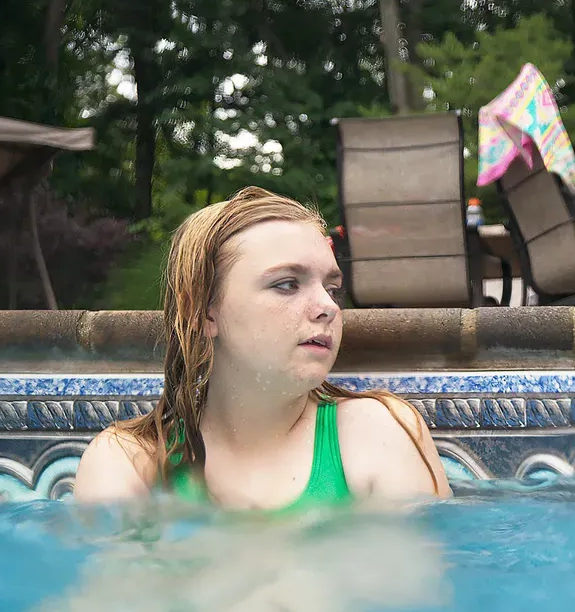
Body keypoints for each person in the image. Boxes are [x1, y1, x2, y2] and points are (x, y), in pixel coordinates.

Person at [74, 187, 451, 509]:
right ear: (203, 313)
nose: (328, 307)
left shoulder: (376, 434)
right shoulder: (129, 465)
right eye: (287, 284)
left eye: (332, 288)